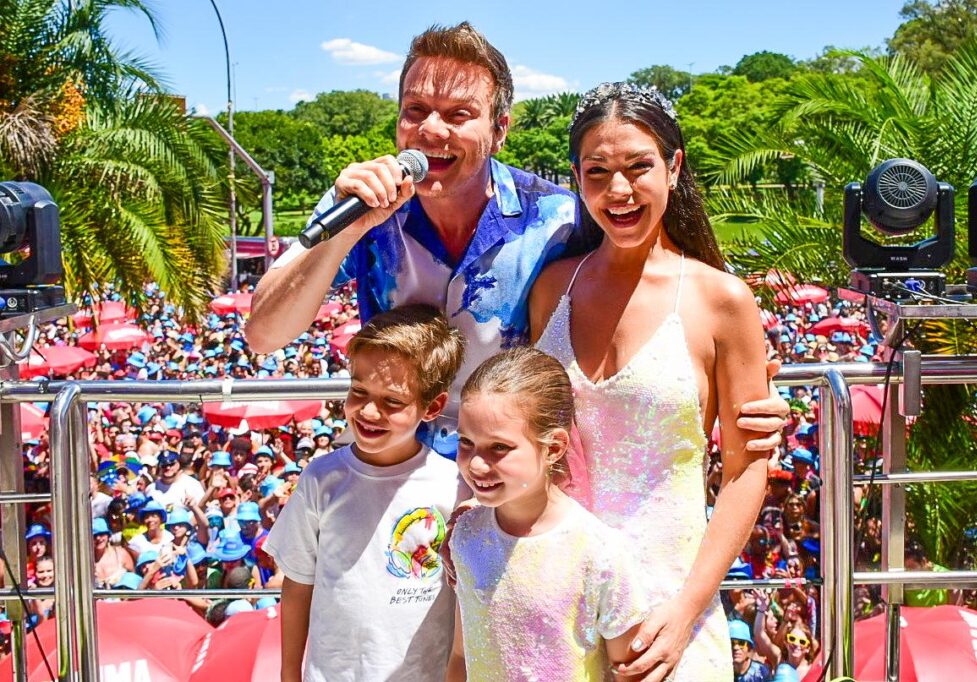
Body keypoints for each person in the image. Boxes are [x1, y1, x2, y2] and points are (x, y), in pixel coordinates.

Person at [245, 22, 788, 455]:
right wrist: (347, 231)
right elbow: (264, 335)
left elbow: (641, 291)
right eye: (416, 111)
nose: (431, 130)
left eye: (459, 114)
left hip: (508, 483)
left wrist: (735, 384)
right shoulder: (359, 202)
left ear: (500, 129)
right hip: (390, 468)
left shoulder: (558, 218)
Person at [530, 81, 770, 680]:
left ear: (674, 167)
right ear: (577, 178)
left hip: (669, 608)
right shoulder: (552, 287)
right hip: (553, 598)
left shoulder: (722, 300)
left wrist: (686, 610)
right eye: (597, 171)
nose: (619, 190)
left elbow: (746, 471)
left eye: (639, 166)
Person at [264, 305, 466, 682]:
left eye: (392, 401)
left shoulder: (453, 486)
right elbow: (298, 582)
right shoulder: (321, 479)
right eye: (359, 391)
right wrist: (289, 671)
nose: (369, 412)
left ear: (433, 406)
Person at [446, 347, 648, 680]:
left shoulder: (597, 552)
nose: (477, 464)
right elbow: (461, 654)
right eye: (466, 442)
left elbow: (632, 672)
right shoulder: (466, 536)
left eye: (499, 447)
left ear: (553, 447)